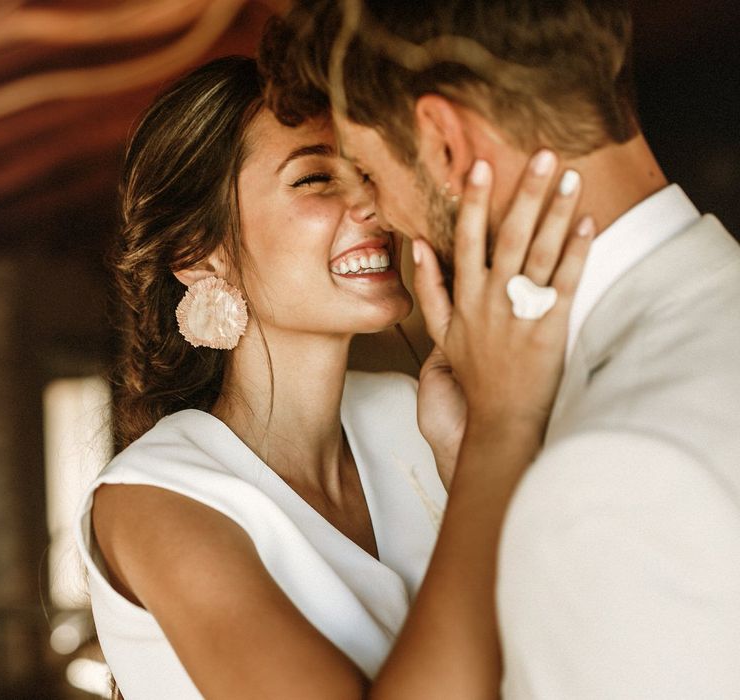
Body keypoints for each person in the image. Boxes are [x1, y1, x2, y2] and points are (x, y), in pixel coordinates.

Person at [259, 1, 740, 697]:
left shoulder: (613, 478)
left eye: (368, 172)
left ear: (445, 144)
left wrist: (502, 435)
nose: (379, 214)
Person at [74, 55, 592, 698]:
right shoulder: (155, 500)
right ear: (197, 250)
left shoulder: (415, 418)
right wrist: (503, 436)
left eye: (371, 173)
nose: (375, 205)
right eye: (316, 177)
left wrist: (469, 459)